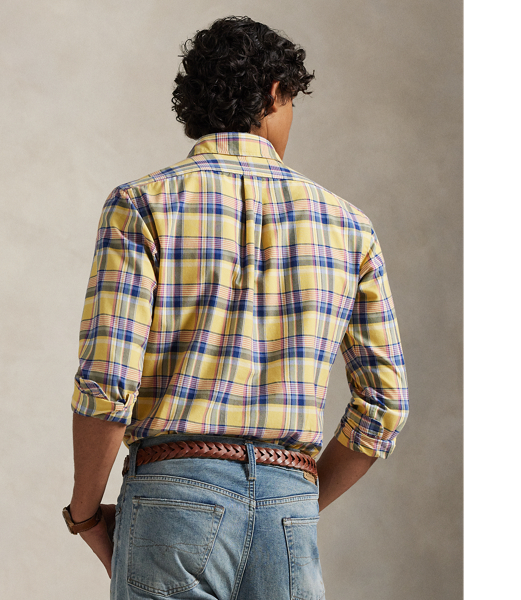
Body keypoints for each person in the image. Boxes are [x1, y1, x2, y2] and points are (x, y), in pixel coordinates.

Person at [63, 16, 409, 600]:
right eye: (292, 101)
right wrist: (294, 499)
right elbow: (384, 405)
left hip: (172, 497)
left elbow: (107, 383)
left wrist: (86, 514)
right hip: (289, 507)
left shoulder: (143, 205)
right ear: (275, 93)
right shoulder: (350, 227)